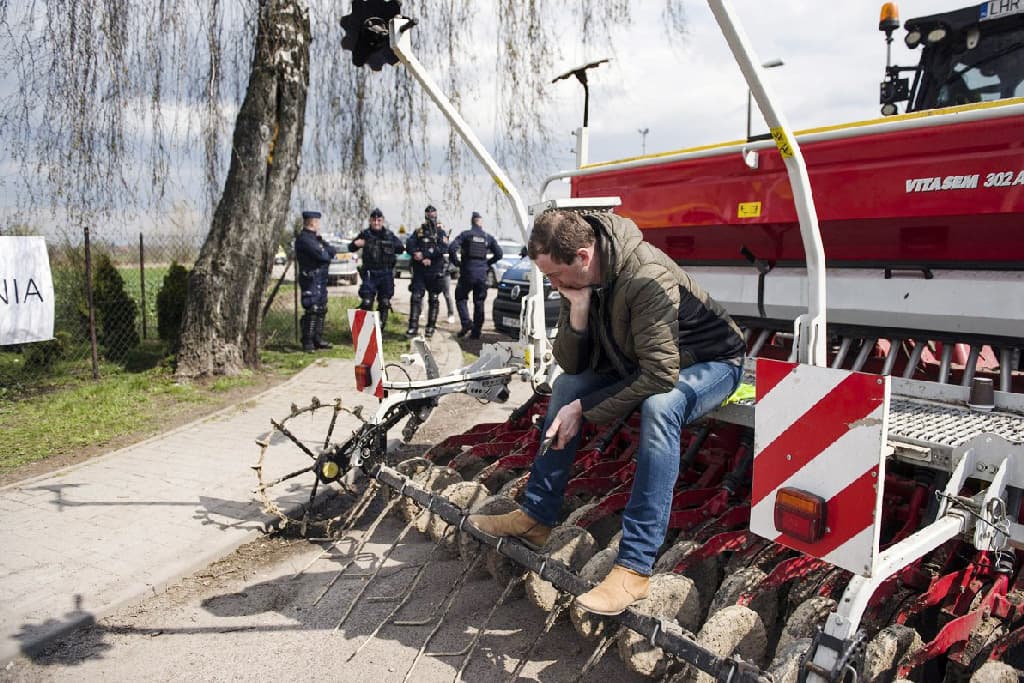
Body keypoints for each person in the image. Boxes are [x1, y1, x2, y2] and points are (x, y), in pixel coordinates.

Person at [467, 209, 746, 615]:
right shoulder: (576, 280)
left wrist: (585, 410)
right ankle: (537, 517)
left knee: (661, 406)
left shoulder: (645, 276)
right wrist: (577, 313)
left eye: (557, 276)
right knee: (565, 386)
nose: (553, 285)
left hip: (714, 361)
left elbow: (659, 376)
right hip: (648, 360)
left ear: (583, 256)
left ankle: (634, 569)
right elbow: (575, 366)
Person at [449, 211, 503, 339]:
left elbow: (451, 248)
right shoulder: (487, 237)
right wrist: (487, 263)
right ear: (481, 222)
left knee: (460, 297)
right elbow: (499, 254)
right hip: (482, 274)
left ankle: (466, 322)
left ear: (472, 222)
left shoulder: (466, 235)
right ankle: (476, 332)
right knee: (479, 302)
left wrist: (457, 263)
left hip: (467, 272)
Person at [348, 207, 404, 331]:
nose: (376, 223)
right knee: (367, 302)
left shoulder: (388, 235)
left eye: (379, 220)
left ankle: (379, 330)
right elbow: (351, 247)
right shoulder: (365, 234)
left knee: (384, 302)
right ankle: (364, 330)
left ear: (382, 221)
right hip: (370, 272)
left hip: (386, 272)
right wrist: (356, 244)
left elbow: (400, 248)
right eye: (374, 220)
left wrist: (390, 244)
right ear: (370, 221)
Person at [294, 209, 337, 352]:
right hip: (310, 278)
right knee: (312, 308)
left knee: (321, 308)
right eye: (318, 222)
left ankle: (317, 338)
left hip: (321, 278)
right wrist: (325, 252)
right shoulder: (305, 239)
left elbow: (331, 250)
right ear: (313, 222)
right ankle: (307, 341)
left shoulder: (316, 239)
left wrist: (325, 250)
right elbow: (324, 256)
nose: (319, 225)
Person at [405, 204, 449, 337]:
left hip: (435, 270)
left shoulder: (441, 232)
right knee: (416, 297)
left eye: (433, 216)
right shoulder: (419, 231)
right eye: (429, 216)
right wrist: (417, 255)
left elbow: (443, 248)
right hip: (420, 271)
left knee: (434, 298)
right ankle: (413, 327)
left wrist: (427, 256)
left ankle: (430, 327)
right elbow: (409, 245)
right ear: (425, 216)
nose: (431, 219)